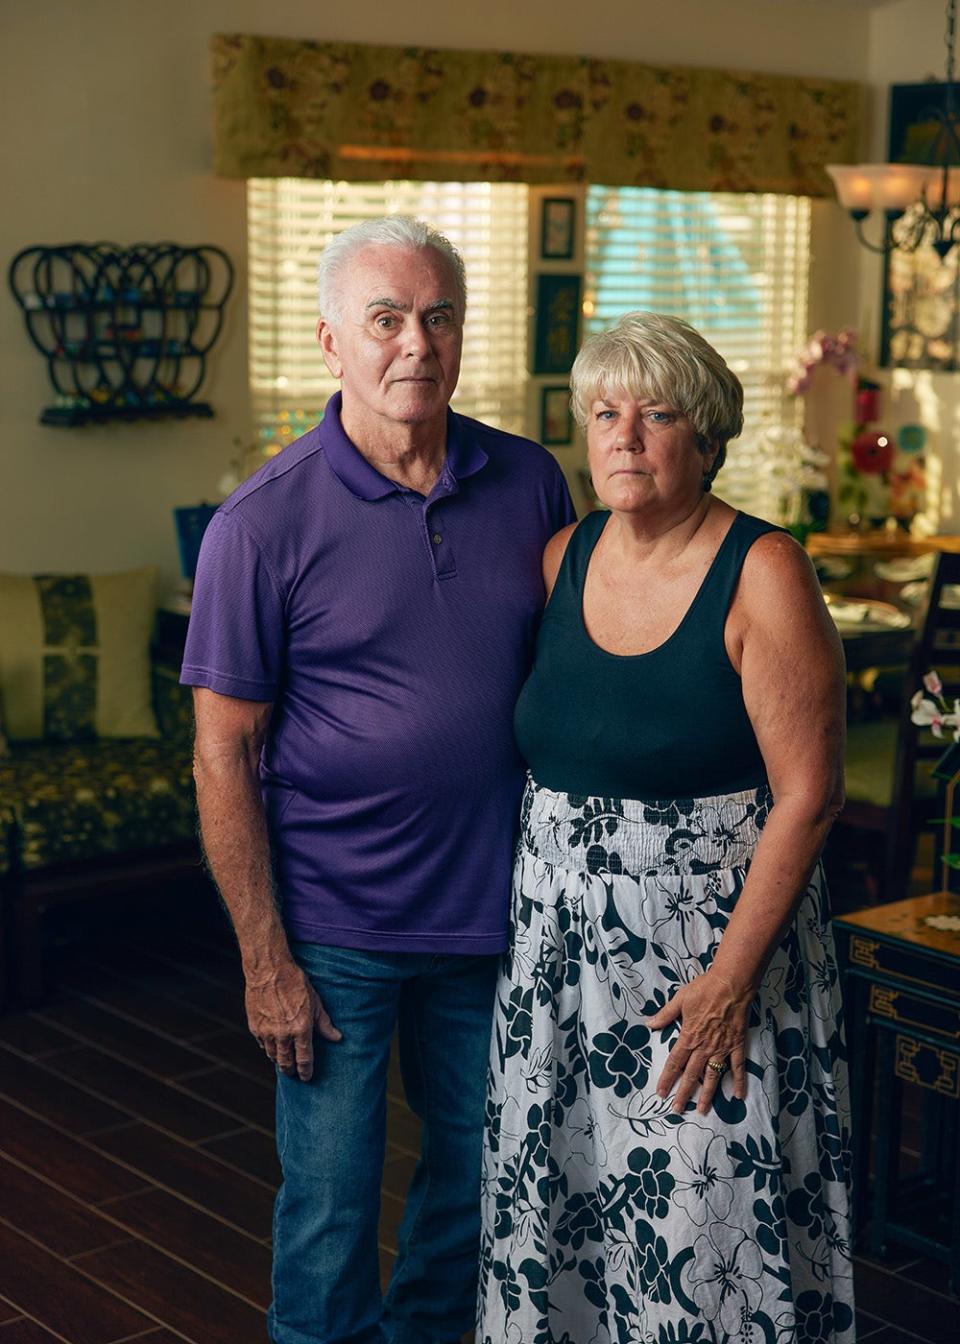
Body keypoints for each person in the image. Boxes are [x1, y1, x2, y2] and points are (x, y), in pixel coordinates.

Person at [180, 215, 574, 1344]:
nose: (416, 344)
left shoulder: (531, 481)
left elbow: (580, 663)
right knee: (330, 1210)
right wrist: (266, 961)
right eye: (386, 320)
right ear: (330, 342)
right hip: (333, 933)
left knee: (485, 1178)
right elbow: (223, 755)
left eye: (438, 317)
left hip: (493, 917)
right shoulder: (260, 525)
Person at [477, 311, 855, 1343]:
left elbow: (810, 794)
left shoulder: (765, 569)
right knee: (561, 1220)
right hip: (559, 966)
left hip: (707, 966)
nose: (626, 437)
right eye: (605, 413)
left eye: (657, 415)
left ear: (707, 434)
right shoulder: (564, 554)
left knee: (702, 1237)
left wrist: (729, 987)